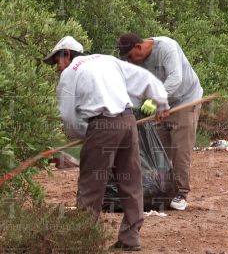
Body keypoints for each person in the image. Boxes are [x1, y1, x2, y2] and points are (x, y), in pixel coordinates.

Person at [43, 35, 170, 251]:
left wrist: (83, 134)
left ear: (66, 54)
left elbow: (68, 117)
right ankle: (130, 239)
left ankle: (83, 239)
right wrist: (162, 102)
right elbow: (143, 78)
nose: (57, 67)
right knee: (130, 181)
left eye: (56, 61)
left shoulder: (69, 74)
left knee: (91, 184)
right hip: (128, 122)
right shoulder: (106, 60)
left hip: (102, 126)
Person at [117, 33, 203, 210]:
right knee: (158, 151)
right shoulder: (136, 61)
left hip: (185, 101)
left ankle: (181, 194)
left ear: (139, 47)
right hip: (161, 104)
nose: (131, 62)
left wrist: (157, 100)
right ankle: (163, 191)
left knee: (180, 150)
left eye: (131, 57)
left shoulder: (167, 48)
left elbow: (175, 79)